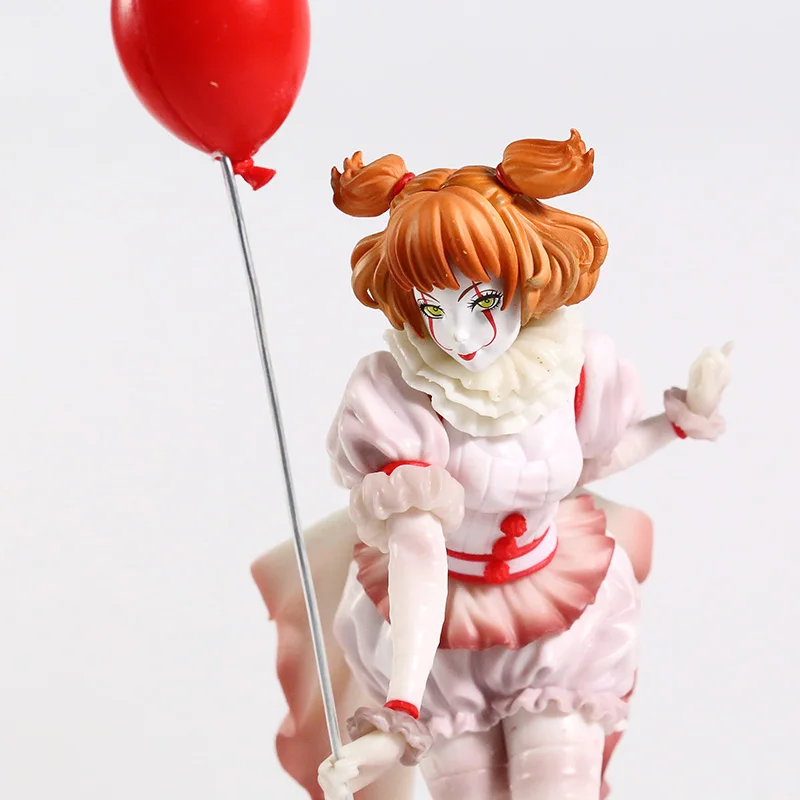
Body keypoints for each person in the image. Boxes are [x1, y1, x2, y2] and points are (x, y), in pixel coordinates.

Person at [251, 130, 731, 800]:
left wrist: (678, 422)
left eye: (482, 301)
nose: (460, 335)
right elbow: (418, 551)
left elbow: (585, 463)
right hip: (440, 636)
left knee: (558, 784)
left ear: (527, 279)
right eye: (433, 307)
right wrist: (401, 710)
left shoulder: (575, 368)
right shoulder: (398, 395)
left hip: (558, 612)